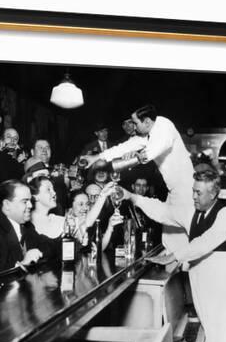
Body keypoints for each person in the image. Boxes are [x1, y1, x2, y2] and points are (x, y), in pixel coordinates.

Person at [124, 165, 226, 342]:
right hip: (204, 291)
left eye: (198, 193)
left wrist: (174, 255)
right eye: (193, 191)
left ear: (213, 194)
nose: (193, 197)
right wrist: (133, 197)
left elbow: (204, 243)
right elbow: (164, 211)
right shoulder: (193, 213)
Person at [80, 104, 194, 254]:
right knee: (170, 235)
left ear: (147, 122)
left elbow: (148, 154)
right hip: (174, 190)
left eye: (135, 123)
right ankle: (174, 259)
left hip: (188, 188)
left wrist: (113, 165)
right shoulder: (148, 131)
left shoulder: (165, 128)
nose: (133, 127)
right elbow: (126, 146)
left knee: (190, 232)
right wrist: (97, 157)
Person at [0, 180, 46, 278]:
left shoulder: (27, 227)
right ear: (7, 205)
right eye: (25, 201)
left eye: (30, 201)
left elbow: (47, 245)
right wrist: (21, 265)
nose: (30, 206)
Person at [28, 176, 65, 258]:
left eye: (53, 189)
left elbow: (87, 222)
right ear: (35, 196)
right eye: (48, 189)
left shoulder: (59, 221)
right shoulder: (26, 223)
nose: (54, 193)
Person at [30, 138, 67, 215]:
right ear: (32, 152)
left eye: (47, 147)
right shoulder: (27, 172)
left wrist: (68, 184)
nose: (44, 150)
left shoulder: (59, 172)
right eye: (40, 147)